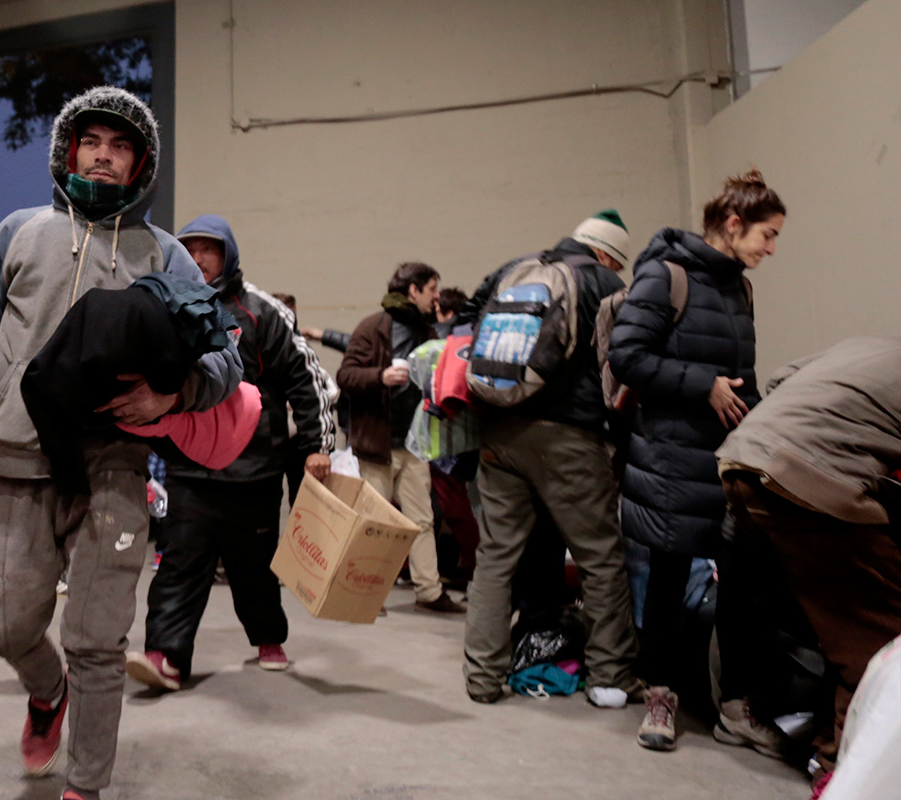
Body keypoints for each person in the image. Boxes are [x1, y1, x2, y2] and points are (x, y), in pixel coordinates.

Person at [0, 86, 241, 800]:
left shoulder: (164, 255)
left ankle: (86, 785)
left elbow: (225, 359)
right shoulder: (18, 233)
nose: (103, 154)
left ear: (141, 164)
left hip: (113, 469)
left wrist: (172, 395)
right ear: (68, 151)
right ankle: (46, 691)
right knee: (3, 622)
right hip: (15, 462)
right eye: (91, 140)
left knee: (98, 641)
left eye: (120, 145)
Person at [607, 170, 786, 751]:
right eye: (767, 235)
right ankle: (660, 694)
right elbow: (628, 355)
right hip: (668, 460)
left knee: (742, 584)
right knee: (664, 577)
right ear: (734, 225)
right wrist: (702, 384)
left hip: (725, 461)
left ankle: (734, 705)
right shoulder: (665, 276)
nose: (771, 248)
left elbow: (744, 379)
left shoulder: (741, 287)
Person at [126, 214, 335, 690]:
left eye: (209, 250)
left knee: (255, 567)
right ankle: (165, 657)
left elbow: (307, 379)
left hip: (254, 471)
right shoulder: (166, 305)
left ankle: (267, 637)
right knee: (178, 565)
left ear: (229, 255)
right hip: (190, 469)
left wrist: (317, 444)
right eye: (191, 249)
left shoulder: (262, 310)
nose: (198, 259)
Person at [458, 210, 641, 706]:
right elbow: (624, 363)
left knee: (495, 558)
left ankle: (481, 678)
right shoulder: (604, 281)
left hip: (498, 427)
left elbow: (467, 319)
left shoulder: (514, 269)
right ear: (609, 255)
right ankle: (609, 678)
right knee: (600, 558)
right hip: (568, 437)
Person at [715, 337, 901, 788]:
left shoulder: (866, 347)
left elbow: (779, 380)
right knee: (883, 642)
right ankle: (839, 769)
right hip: (806, 486)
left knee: (823, 617)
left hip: (740, 462)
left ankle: (767, 716)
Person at [336, 261, 464, 614]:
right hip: (376, 446)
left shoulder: (428, 334)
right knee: (374, 524)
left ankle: (429, 591)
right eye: (432, 289)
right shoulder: (373, 327)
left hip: (414, 446)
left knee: (422, 521)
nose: (437, 297)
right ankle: (365, 592)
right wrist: (381, 376)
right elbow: (346, 376)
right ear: (414, 291)